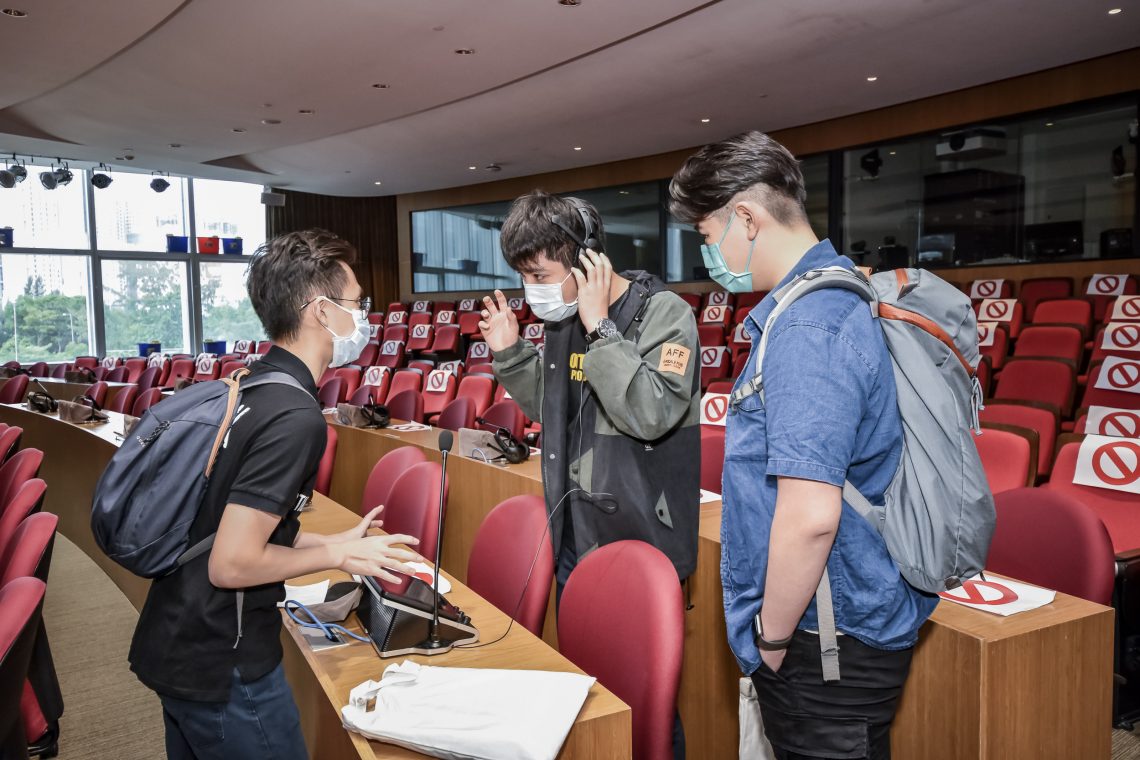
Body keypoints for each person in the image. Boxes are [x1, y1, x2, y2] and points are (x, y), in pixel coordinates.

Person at [668, 132, 937, 760]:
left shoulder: (809, 326)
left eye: (708, 236)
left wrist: (770, 637)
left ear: (746, 217)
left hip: (825, 636)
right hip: (832, 624)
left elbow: (812, 516)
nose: (711, 254)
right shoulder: (825, 301)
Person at [129, 229, 421, 760]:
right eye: (357, 302)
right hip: (224, 659)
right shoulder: (295, 417)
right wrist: (337, 554)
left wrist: (327, 541)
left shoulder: (255, 384)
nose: (365, 316)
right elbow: (233, 563)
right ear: (321, 311)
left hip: (180, 637)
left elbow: (237, 521)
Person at [479, 190, 701, 755]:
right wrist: (509, 354)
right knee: (590, 696)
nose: (534, 290)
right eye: (524, 276)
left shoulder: (662, 314)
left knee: (643, 705)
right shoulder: (560, 322)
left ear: (586, 261)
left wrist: (602, 329)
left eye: (541, 273)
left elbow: (650, 414)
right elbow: (555, 414)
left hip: (640, 542)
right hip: (576, 536)